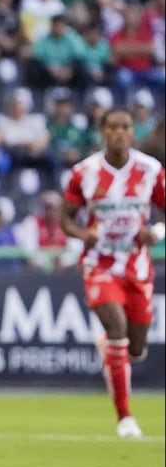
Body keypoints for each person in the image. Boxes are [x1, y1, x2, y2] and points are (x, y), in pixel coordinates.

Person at [60, 108, 165, 439]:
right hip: (99, 262)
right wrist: (81, 234)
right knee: (117, 327)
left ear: (133, 132)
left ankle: (108, 345)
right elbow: (65, 218)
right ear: (103, 131)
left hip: (137, 264)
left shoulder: (150, 170)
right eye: (113, 127)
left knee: (136, 348)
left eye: (126, 127)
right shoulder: (84, 172)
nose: (120, 132)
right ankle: (125, 418)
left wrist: (157, 233)